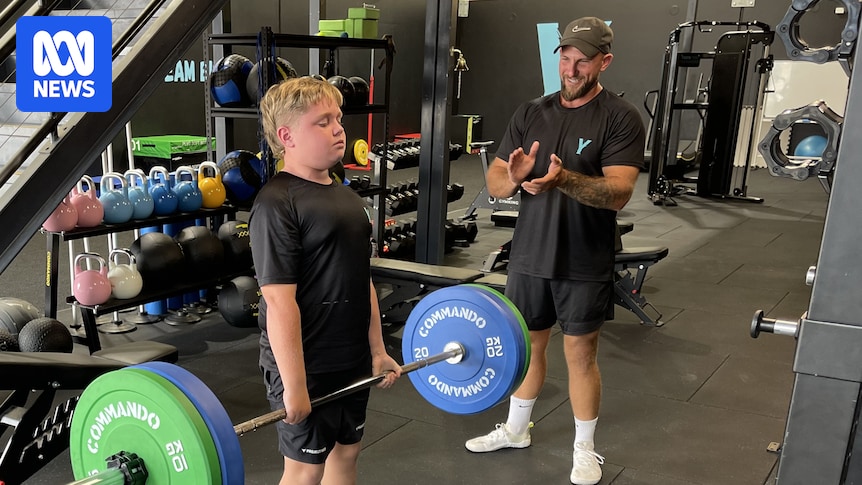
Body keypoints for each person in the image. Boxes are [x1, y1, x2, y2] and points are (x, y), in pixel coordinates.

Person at [464, 16, 645, 485]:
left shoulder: (621, 117)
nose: (572, 67)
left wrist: (563, 179)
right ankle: (516, 429)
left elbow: (619, 192)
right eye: (565, 56)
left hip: (584, 257)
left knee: (580, 354)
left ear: (604, 61)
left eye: (583, 59)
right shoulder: (530, 112)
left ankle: (584, 448)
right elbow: (496, 181)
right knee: (527, 346)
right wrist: (517, 177)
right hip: (529, 255)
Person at [249, 77, 402, 485]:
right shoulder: (276, 203)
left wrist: (377, 349)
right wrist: (295, 386)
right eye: (322, 122)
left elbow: (361, 279)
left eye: (338, 118)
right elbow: (280, 302)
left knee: (346, 454)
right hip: (306, 362)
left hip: (349, 356)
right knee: (304, 469)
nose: (339, 129)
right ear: (287, 136)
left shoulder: (346, 197)